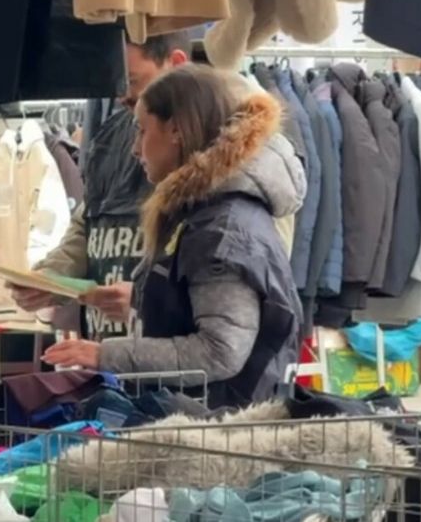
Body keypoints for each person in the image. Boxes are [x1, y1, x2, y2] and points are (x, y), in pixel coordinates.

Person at [41, 64, 306, 409]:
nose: (135, 149)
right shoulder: (206, 214)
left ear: (176, 131)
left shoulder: (222, 228)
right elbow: (202, 308)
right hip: (201, 421)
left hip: (218, 427)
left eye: (142, 130)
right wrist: (141, 298)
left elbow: (220, 351)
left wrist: (104, 355)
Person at [11, 32, 192, 340]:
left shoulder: (219, 143)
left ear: (176, 64)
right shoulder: (112, 135)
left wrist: (146, 301)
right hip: (107, 349)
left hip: (172, 356)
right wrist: (52, 278)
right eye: (116, 83)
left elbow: (234, 287)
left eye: (132, 81)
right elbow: (89, 221)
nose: (121, 96)